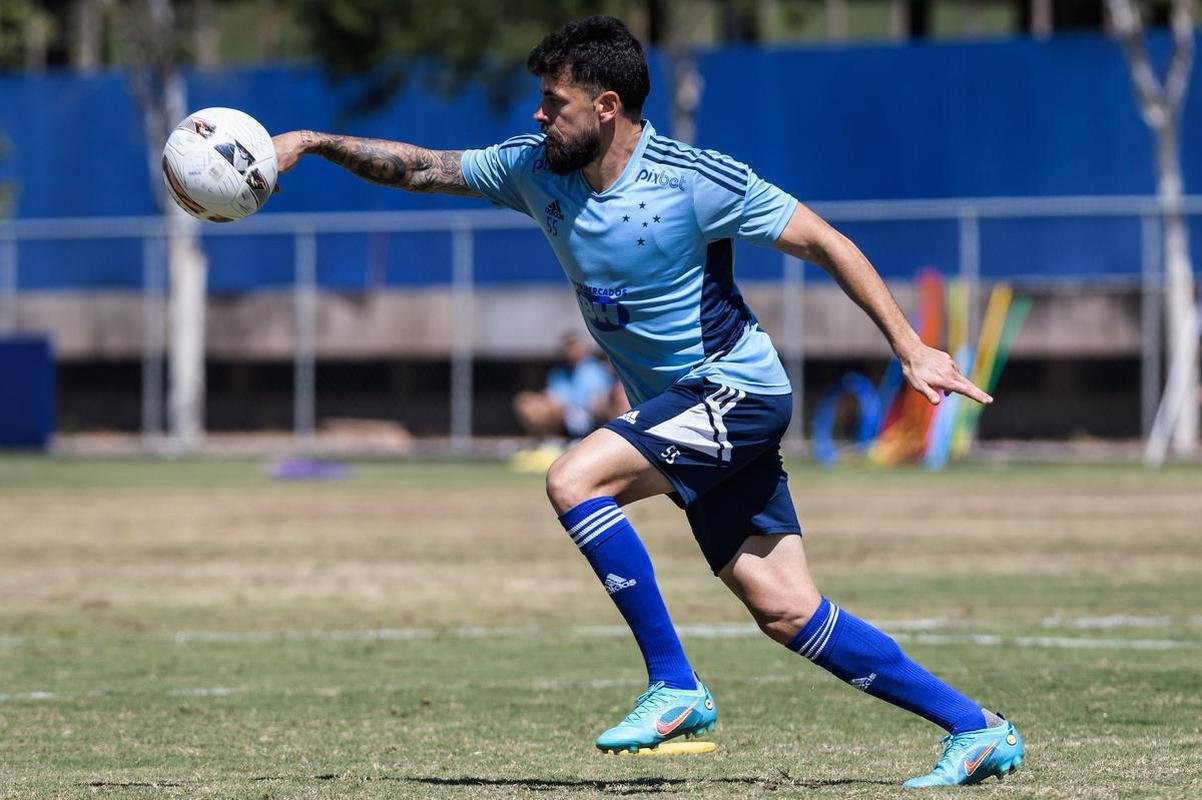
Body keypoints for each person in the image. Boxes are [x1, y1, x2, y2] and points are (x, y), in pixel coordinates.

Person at [272, 16, 1024, 787]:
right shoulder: (536, 170)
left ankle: (674, 683)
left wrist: (909, 346)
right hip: (684, 410)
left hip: (739, 392)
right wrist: (308, 142)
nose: (537, 115)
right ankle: (977, 728)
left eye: (552, 101)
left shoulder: (696, 180)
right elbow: (421, 168)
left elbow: (826, 240)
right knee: (786, 608)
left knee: (574, 478)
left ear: (605, 106)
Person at [513, 333, 627, 442]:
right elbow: (554, 396)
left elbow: (603, 395)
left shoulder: (595, 369)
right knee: (526, 402)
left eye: (575, 347)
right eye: (569, 349)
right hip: (565, 414)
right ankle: (547, 440)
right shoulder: (558, 373)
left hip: (593, 413)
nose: (572, 352)